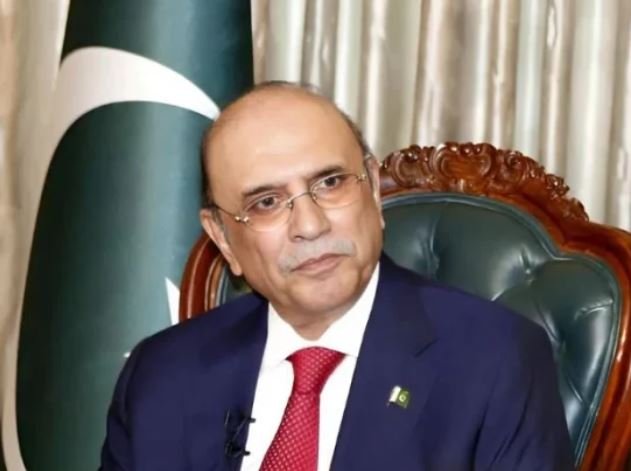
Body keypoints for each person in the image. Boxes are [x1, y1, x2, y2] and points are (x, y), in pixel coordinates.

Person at [100, 81, 574, 470]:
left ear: (372, 189)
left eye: (330, 183)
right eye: (266, 202)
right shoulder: (161, 374)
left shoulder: (494, 361)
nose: (310, 225)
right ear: (223, 238)